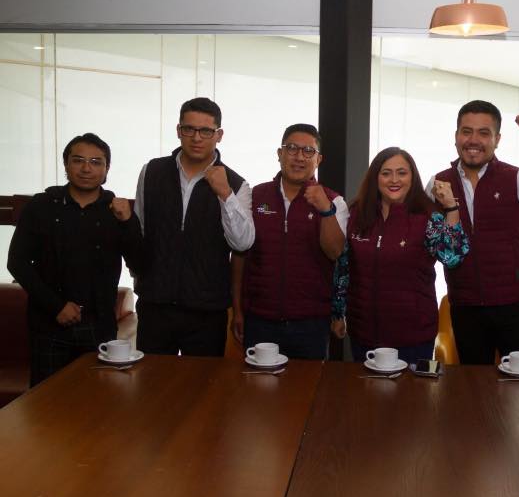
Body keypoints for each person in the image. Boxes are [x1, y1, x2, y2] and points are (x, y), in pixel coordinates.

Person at [427, 100, 519, 365]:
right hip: (465, 305)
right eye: (467, 131)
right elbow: (434, 243)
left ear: (497, 139)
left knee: (518, 383)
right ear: (456, 136)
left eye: (484, 133)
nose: (474, 140)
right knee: (472, 384)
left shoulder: (516, 178)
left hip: (514, 305)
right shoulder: (438, 183)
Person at [7, 133, 143, 386]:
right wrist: (55, 306)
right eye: (78, 160)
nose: (86, 168)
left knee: (98, 399)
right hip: (49, 322)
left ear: (106, 169)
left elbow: (140, 264)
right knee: (46, 400)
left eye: (96, 162)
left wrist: (128, 223)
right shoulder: (42, 205)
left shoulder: (116, 210)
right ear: (66, 165)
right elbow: (17, 262)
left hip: (99, 325)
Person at [133, 97, 254, 356]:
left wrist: (225, 193)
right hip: (155, 304)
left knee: (203, 381)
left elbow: (243, 242)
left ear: (219, 135)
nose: (197, 138)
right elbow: (139, 231)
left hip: (206, 310)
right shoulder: (152, 171)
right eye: (189, 129)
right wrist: (140, 276)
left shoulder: (236, 183)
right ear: (179, 131)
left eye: (206, 131)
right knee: (152, 379)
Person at [342, 147, 469, 363]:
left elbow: (452, 257)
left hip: (413, 337)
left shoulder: (427, 216)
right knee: (365, 386)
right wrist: (338, 313)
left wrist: (451, 208)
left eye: (402, 173)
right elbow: (344, 267)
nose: (394, 180)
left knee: (412, 387)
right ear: (375, 178)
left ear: (412, 177)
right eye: (386, 173)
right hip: (363, 333)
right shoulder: (356, 213)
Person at [230, 124, 347, 359]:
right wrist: (237, 309)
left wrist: (325, 210)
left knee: (308, 383)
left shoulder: (334, 201)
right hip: (260, 319)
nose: (299, 157)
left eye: (308, 151)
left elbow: (335, 252)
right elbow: (239, 255)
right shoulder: (255, 196)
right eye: (292, 148)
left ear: (318, 159)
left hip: (311, 323)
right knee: (258, 382)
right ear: (280, 154)